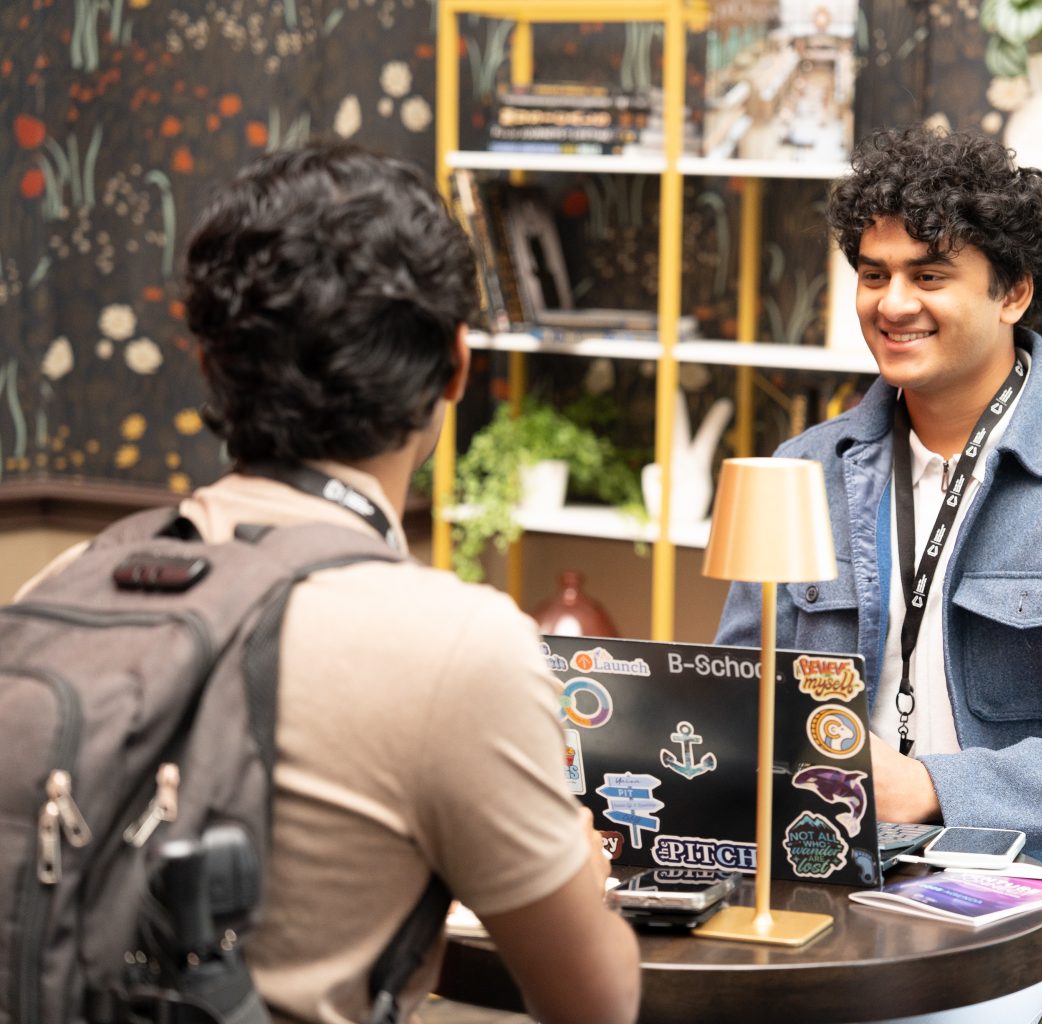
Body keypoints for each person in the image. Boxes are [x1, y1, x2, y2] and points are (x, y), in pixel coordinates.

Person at [17, 144, 640, 1024]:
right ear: (456, 366)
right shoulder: (456, 643)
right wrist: (577, 862)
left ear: (212, 365)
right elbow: (595, 1003)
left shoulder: (66, 579)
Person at [715, 125, 1042, 1024]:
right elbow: (738, 698)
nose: (893, 303)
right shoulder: (804, 470)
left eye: (929, 275)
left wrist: (929, 787)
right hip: (827, 865)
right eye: (874, 274)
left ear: (1013, 291)